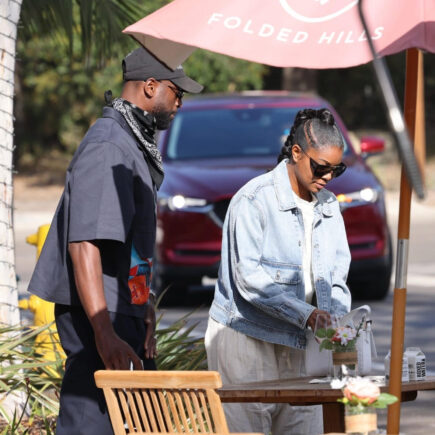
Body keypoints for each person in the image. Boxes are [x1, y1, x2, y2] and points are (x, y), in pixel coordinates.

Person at [27, 47, 203, 434]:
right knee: (90, 423)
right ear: (151, 86)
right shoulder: (109, 145)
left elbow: (133, 240)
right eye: (177, 93)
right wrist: (103, 331)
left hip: (126, 308)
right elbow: (83, 243)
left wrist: (145, 307)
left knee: (143, 424)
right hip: (100, 314)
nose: (179, 103)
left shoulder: (132, 141)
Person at [205, 108, 351, 435]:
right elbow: (249, 280)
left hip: (303, 343)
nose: (327, 177)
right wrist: (309, 315)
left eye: (336, 169)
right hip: (245, 335)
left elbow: (337, 277)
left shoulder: (330, 206)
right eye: (320, 167)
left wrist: (336, 319)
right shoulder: (253, 200)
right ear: (296, 152)